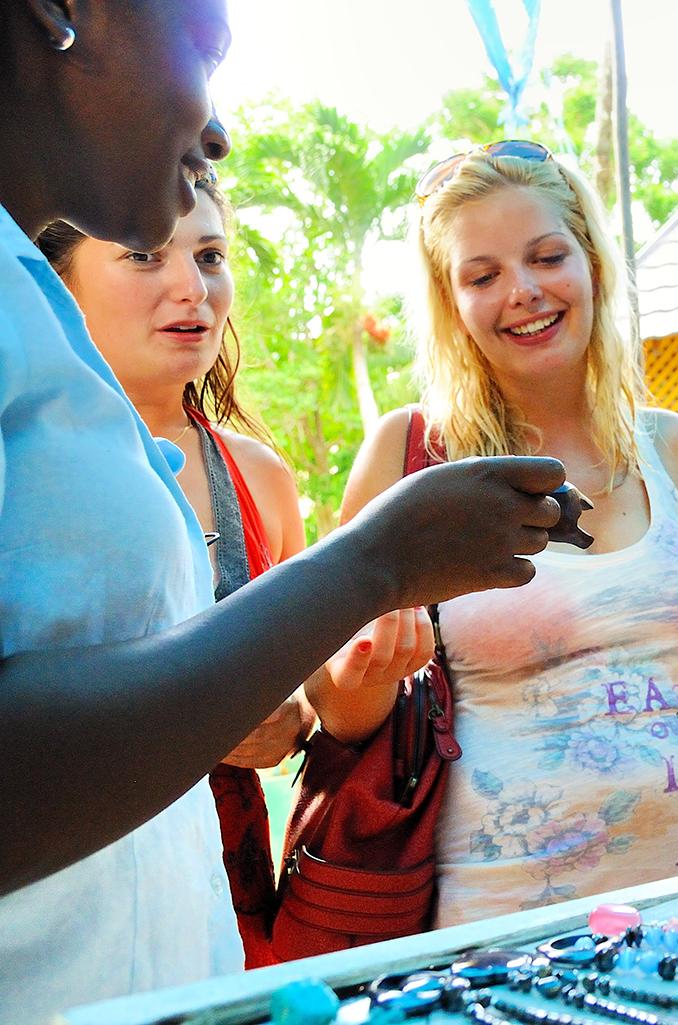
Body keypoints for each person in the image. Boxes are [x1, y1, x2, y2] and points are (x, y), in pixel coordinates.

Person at [0, 5, 564, 1021]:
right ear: (60, 15)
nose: (215, 128)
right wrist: (370, 564)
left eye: (213, 258)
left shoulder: (29, 305)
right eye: (205, 54)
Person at [340, 140, 678, 928]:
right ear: (451, 300)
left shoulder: (672, 447)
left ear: (593, 264)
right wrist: (365, 665)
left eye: (546, 256)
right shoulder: (413, 457)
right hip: (511, 938)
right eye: (483, 275)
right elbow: (338, 706)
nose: (524, 292)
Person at [36, 179, 435, 968]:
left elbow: (321, 706)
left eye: (210, 255)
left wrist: (305, 702)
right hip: (61, 920)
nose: (192, 286)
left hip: (228, 915)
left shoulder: (258, 476)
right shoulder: (28, 474)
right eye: (145, 254)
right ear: (55, 280)